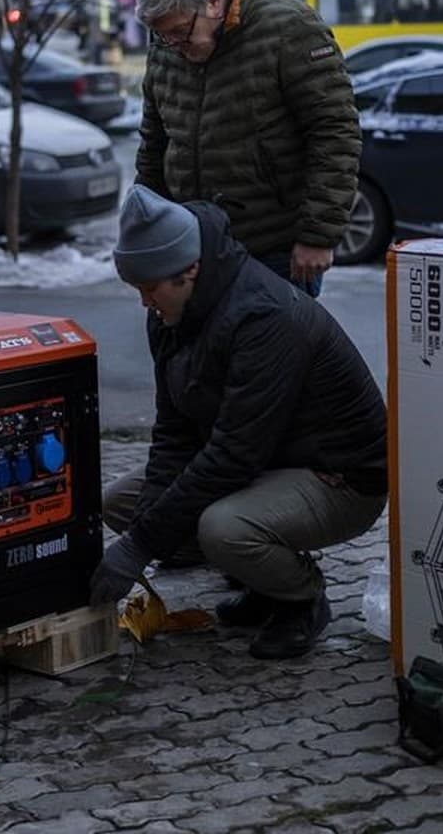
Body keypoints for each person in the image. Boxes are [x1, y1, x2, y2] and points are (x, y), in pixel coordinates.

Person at [89, 187, 388, 660]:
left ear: (190, 270)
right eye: (137, 288)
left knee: (223, 528)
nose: (144, 301)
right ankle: (258, 577)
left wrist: (141, 545)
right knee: (120, 505)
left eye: (150, 288)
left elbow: (234, 455)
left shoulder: (264, 317)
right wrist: (142, 532)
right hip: (267, 461)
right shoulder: (169, 315)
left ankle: (301, 597)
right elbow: (174, 431)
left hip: (339, 477)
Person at [134, 0, 360, 297]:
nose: (174, 45)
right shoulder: (167, 44)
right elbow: (154, 142)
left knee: (272, 334)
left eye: (180, 32)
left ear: (213, 2)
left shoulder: (289, 28)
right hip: (193, 242)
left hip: (275, 247)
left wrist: (318, 235)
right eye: (164, 36)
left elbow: (334, 132)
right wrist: (146, 226)